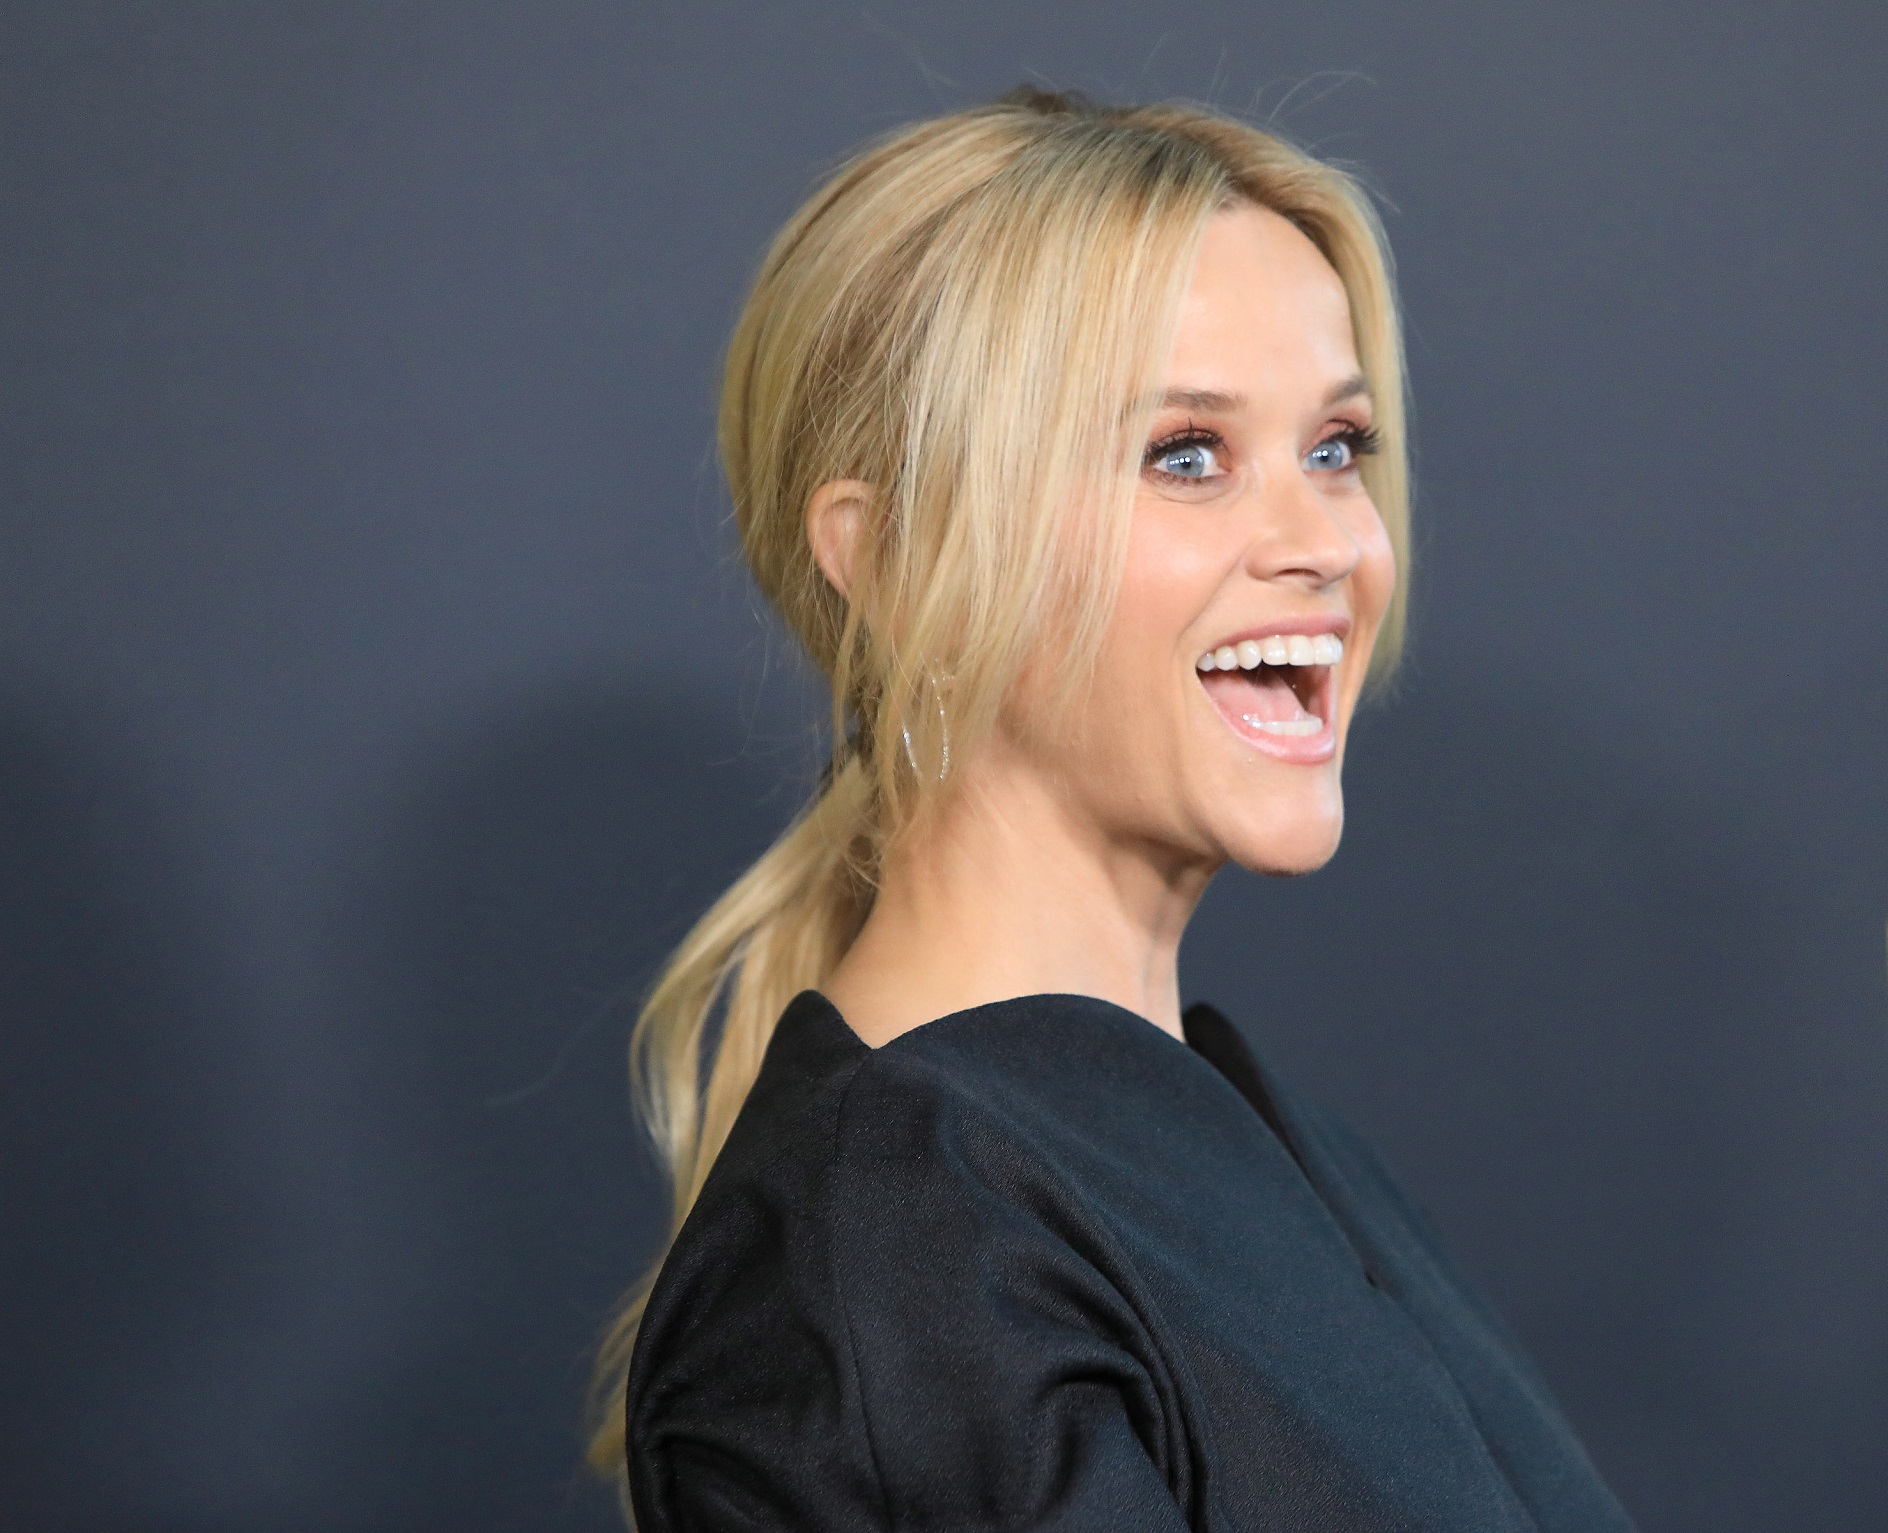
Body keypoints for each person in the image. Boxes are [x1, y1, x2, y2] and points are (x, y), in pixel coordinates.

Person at [592, 87, 1635, 1532]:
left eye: (1337, 446)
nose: (1326, 543)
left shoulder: (1262, 1148)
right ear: (891, 561)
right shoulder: (904, 1243)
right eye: (1185, 454)